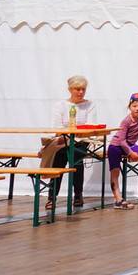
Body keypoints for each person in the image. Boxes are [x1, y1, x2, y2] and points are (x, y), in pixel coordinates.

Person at [43, 74, 94, 210]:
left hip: (82, 140)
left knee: (76, 155)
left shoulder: (89, 105)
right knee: (60, 156)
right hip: (63, 140)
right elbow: (56, 127)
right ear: (70, 89)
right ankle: (52, 197)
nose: (81, 92)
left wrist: (75, 132)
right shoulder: (60, 105)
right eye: (77, 89)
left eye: (83, 89)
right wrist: (70, 132)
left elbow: (90, 126)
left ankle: (77, 195)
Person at [106, 92, 138, 208]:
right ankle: (118, 200)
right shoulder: (126, 121)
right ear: (129, 107)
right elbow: (121, 140)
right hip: (116, 146)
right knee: (115, 172)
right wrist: (130, 153)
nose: (137, 109)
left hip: (128, 144)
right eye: (134, 106)